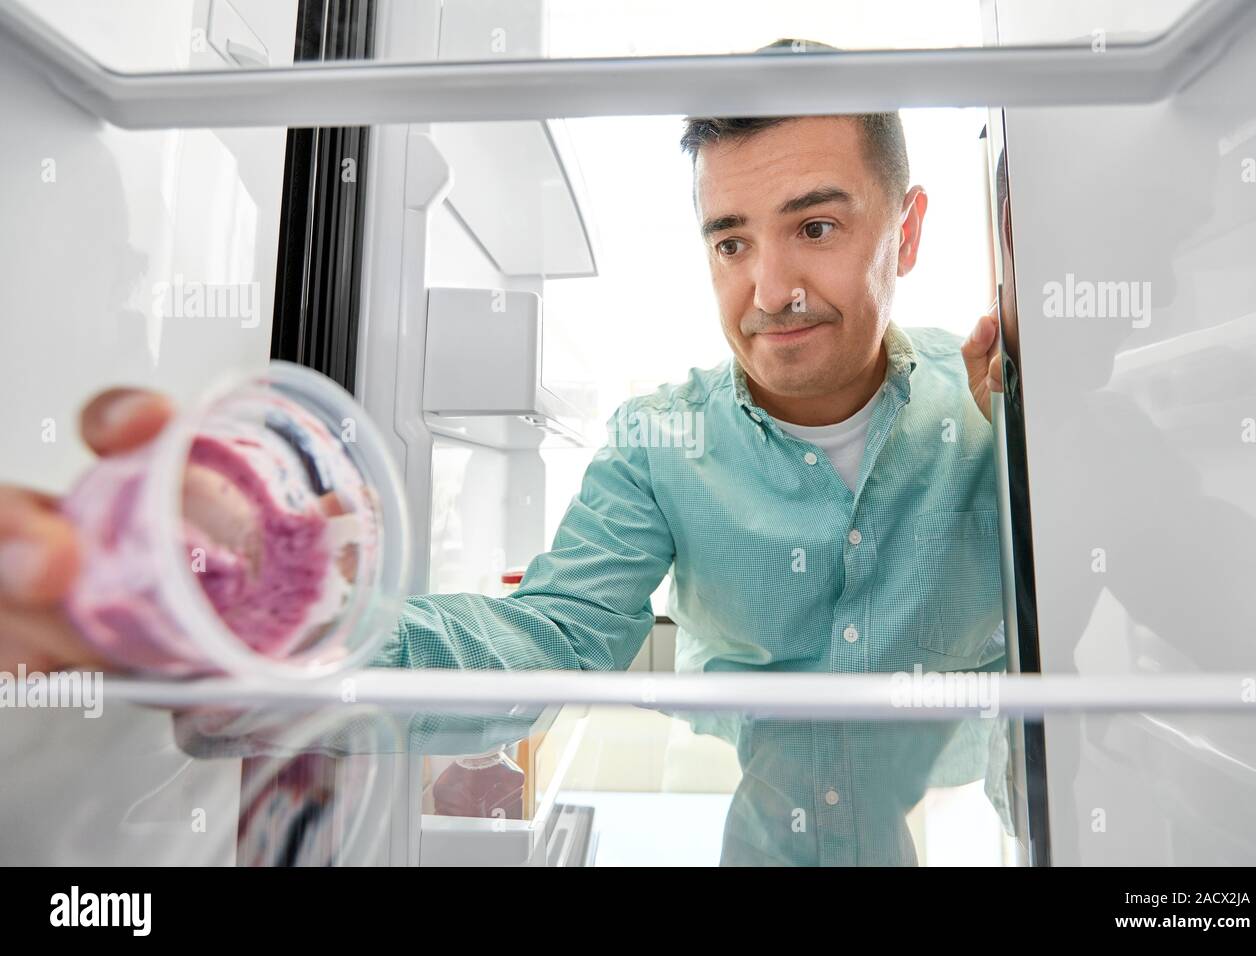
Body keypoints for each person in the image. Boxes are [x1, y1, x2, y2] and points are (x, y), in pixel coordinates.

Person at [0, 42, 1007, 865]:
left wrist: (1066, 431)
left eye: (816, 226)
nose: (769, 288)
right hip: (766, 821)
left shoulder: (989, 405)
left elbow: (1116, 594)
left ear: (906, 229)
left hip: (988, 803)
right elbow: (546, 636)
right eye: (730, 241)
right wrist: (289, 638)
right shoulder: (662, 444)